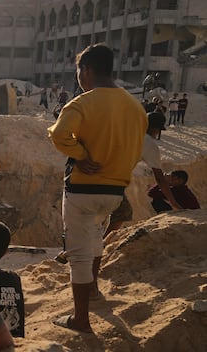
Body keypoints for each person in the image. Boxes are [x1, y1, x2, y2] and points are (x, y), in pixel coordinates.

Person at [47, 44, 146, 334]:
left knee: (78, 253)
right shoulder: (135, 107)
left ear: (86, 70)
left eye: (79, 71)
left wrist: (81, 154)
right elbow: (137, 148)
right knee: (95, 236)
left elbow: (60, 135)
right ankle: (93, 288)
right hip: (115, 192)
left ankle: (80, 319)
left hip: (83, 190)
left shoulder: (82, 103)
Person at [103, 111, 181, 236]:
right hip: (112, 180)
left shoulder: (127, 132)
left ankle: (94, 243)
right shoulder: (149, 143)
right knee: (123, 212)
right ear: (155, 129)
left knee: (103, 213)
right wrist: (173, 202)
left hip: (96, 173)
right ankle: (102, 244)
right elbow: (160, 178)